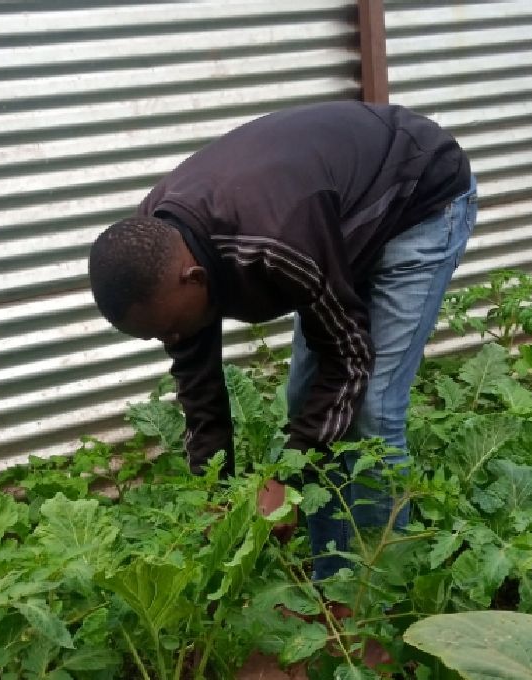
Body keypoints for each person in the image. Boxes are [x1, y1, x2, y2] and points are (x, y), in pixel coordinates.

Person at [88, 100, 477, 580]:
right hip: (332, 216)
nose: (170, 339)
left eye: (169, 330)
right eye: (157, 336)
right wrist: (218, 492)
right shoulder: (155, 254)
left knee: (374, 410)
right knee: (303, 400)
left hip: (418, 193)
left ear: (194, 277)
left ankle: (383, 591)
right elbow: (199, 388)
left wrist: (286, 479)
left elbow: (349, 356)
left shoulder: (276, 244)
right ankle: (333, 580)